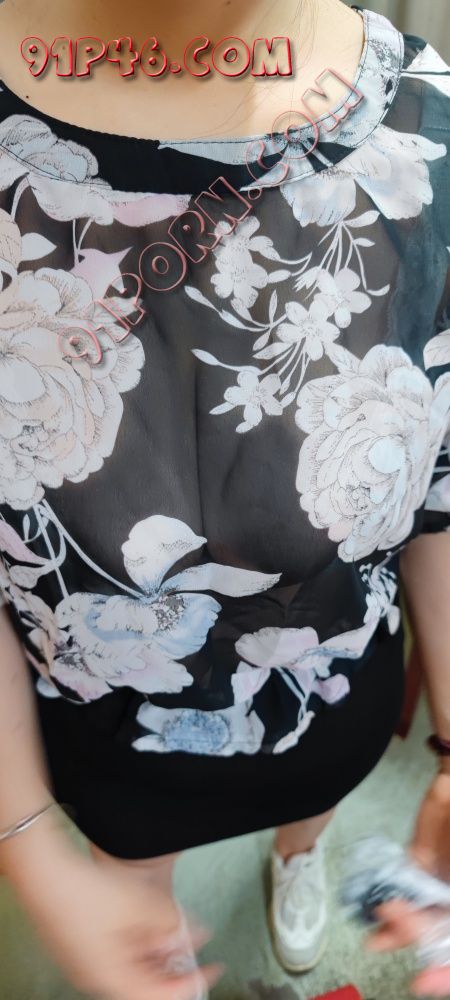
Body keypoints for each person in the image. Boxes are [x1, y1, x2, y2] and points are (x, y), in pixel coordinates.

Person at [0, 0, 449, 997]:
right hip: (107, 745)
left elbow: (441, 486)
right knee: (138, 903)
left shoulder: (428, 125)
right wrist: (29, 843)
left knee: (313, 813)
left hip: (331, 697)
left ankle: (300, 857)